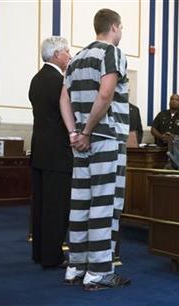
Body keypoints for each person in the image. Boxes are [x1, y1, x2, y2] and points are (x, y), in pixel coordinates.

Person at [59, 8, 130, 290]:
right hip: (106, 137)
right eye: (121, 28)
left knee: (81, 203)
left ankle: (76, 267)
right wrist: (88, 130)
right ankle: (99, 271)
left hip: (82, 140)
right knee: (105, 202)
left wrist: (74, 133)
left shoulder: (76, 59)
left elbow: (63, 98)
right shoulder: (110, 52)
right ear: (114, 27)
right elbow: (106, 92)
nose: (121, 33)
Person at [28, 36, 72, 269]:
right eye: (67, 51)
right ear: (56, 55)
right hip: (58, 154)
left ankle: (39, 252)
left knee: (41, 206)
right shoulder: (60, 82)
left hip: (39, 151)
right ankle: (52, 257)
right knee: (56, 207)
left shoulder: (36, 79)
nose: (70, 55)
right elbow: (68, 116)